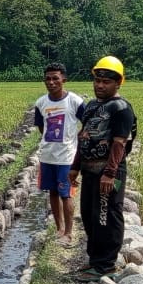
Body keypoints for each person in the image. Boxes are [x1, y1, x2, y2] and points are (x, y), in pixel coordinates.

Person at [70, 56, 136, 281]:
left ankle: (106, 264)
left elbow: (119, 143)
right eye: (97, 80)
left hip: (108, 172)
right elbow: (84, 137)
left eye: (106, 82)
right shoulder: (91, 106)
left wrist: (109, 173)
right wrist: (75, 167)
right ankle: (95, 260)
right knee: (89, 216)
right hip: (89, 170)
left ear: (118, 83)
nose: (100, 85)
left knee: (106, 216)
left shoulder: (121, 108)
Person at [33, 62, 84, 246]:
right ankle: (59, 228)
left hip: (66, 157)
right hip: (47, 156)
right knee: (53, 192)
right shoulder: (41, 103)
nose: (51, 82)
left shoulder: (75, 101)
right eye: (47, 79)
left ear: (64, 79)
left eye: (55, 78)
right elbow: (42, 127)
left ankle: (69, 233)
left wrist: (77, 138)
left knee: (66, 193)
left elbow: (87, 123)